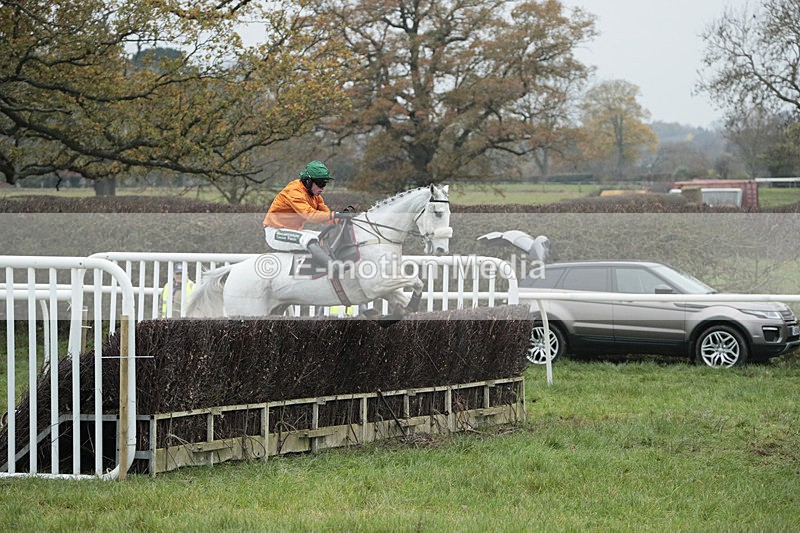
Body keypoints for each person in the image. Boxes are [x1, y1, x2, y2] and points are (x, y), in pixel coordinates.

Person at [262, 160, 353, 267]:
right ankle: (332, 267)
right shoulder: (294, 191)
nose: (323, 187)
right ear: (308, 181)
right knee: (310, 240)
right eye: (320, 183)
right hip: (276, 232)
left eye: (324, 183)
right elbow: (310, 215)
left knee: (323, 238)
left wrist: (342, 219)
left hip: (293, 231)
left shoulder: (315, 196)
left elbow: (327, 215)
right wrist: (336, 214)